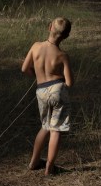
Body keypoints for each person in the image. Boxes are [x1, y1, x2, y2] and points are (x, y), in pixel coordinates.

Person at [21, 17, 73, 176]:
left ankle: (34, 162)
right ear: (66, 36)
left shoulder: (35, 46)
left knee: (45, 126)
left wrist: (38, 76)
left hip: (41, 90)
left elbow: (24, 69)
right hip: (58, 90)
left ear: (49, 27)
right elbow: (69, 83)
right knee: (56, 130)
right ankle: (49, 168)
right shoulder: (62, 55)